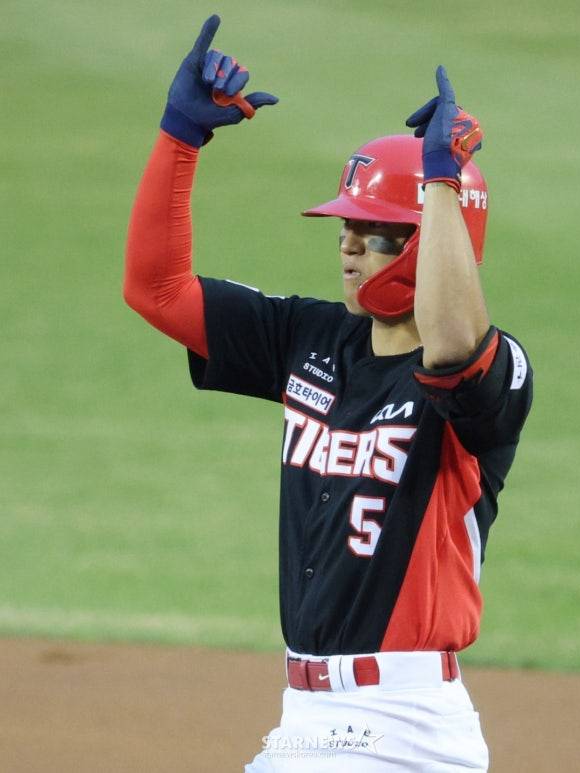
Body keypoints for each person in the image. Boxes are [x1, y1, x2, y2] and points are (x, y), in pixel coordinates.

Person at [124, 13, 532, 772]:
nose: (347, 247)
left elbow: (448, 346)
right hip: (308, 719)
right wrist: (180, 135)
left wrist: (441, 182)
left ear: (430, 236)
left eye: (374, 232)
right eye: (345, 228)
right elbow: (155, 288)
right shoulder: (305, 339)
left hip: (401, 726)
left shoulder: (492, 372)